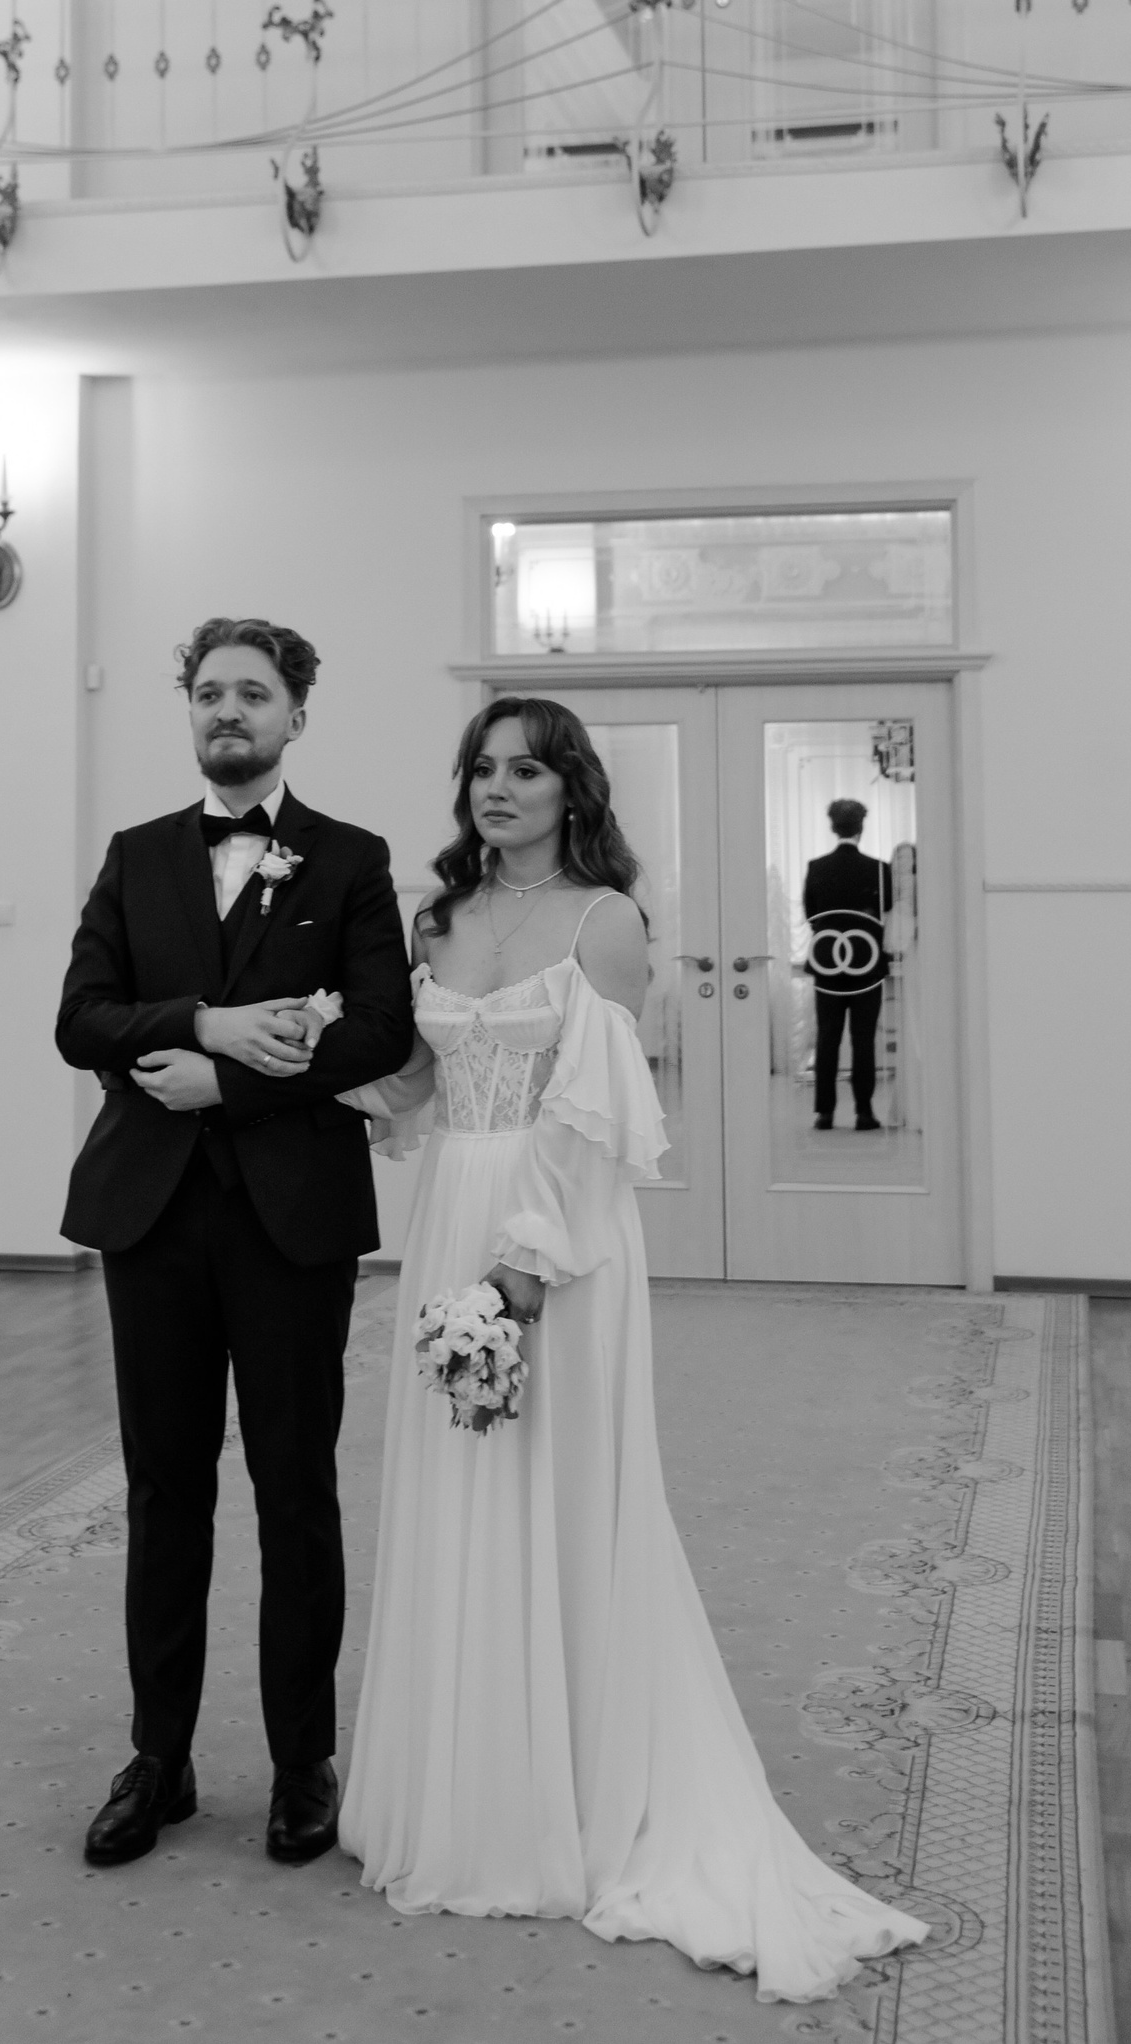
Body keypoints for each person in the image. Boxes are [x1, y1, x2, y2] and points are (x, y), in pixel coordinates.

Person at [336, 698, 926, 1999]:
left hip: (557, 1237)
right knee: (456, 1483)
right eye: (481, 770)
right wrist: (318, 1057)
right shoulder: (437, 919)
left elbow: (592, 1116)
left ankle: (574, 1790)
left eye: (525, 769)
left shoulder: (606, 922)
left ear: (572, 788)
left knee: (555, 1485)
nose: (497, 789)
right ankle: (468, 1783)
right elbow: (421, 1083)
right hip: (448, 1218)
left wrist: (525, 1268)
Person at [54, 616, 416, 1872]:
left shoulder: (352, 859)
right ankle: (158, 1756)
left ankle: (303, 1760)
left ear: (294, 715)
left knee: (294, 1487)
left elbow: (379, 1028)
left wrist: (233, 1082)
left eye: (252, 693)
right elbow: (80, 1018)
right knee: (166, 1490)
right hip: (149, 1215)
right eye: (210, 691)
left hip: (291, 1217)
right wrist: (203, 1022)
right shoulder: (136, 854)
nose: (228, 710)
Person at [801, 797, 892, 1133]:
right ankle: (864, 1112)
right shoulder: (879, 869)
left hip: (828, 961)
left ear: (832, 827)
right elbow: (886, 911)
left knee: (827, 1037)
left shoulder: (817, 867)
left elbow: (811, 915)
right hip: (867, 963)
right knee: (863, 1039)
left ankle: (824, 1113)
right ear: (861, 827)